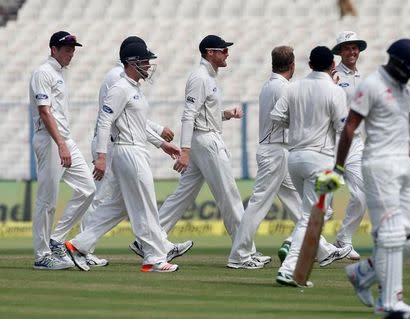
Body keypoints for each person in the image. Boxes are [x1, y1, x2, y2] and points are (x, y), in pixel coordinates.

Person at [316, 39, 410, 318]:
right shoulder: (371, 85)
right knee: (392, 235)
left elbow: (402, 130)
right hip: (379, 164)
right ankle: (390, 301)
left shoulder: (404, 90)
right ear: (396, 63)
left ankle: (363, 273)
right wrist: (338, 169)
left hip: (404, 166)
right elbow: (349, 127)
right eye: (408, 69)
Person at [127, 35, 269, 266]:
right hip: (205, 141)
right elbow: (188, 115)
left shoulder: (209, 77)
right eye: (222, 50)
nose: (227, 54)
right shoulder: (199, 77)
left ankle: (148, 240)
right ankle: (244, 254)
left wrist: (226, 114)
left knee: (183, 195)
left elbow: (206, 112)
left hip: (204, 138)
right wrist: (185, 151)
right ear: (209, 53)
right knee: (229, 196)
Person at [64, 40, 191, 273]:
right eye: (144, 61)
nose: (148, 65)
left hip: (136, 149)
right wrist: (101, 156)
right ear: (131, 63)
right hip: (127, 151)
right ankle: (153, 259)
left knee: (118, 206)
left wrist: (162, 144)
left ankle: (78, 245)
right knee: (146, 205)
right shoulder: (120, 88)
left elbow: (139, 125)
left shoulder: (134, 89)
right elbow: (104, 122)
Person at [270, 46, 351, 286]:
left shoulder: (294, 87)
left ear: (309, 64)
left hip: (294, 159)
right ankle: (288, 268)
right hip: (320, 160)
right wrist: (340, 166)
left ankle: (297, 269)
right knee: (310, 216)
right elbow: (343, 129)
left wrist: (297, 125)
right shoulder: (334, 91)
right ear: (332, 65)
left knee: (315, 215)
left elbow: (276, 116)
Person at [227, 46, 302, 269]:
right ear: (292, 65)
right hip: (275, 151)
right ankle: (239, 255)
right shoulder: (283, 88)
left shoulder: (269, 85)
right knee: (258, 204)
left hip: (275, 151)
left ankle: (322, 249)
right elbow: (289, 119)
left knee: (296, 204)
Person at [29, 31, 96, 270]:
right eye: (67, 49)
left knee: (88, 188)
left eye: (73, 49)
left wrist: (64, 142)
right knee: (47, 200)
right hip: (50, 141)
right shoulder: (43, 73)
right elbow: (44, 112)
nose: (71, 53)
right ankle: (42, 255)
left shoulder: (58, 74)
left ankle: (56, 239)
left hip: (63, 140)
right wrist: (60, 144)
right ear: (53, 49)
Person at [331, 31, 368, 261]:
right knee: (321, 199)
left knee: (362, 194)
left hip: (355, 144)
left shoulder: (362, 78)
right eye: (347, 48)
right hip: (332, 142)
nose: (352, 52)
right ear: (340, 52)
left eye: (355, 48)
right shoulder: (332, 74)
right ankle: (307, 243)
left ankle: (343, 240)